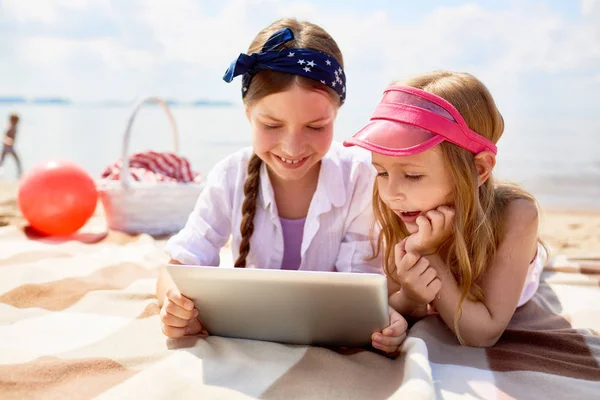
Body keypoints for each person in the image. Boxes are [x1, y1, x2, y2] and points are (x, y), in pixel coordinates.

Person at [156, 18, 407, 354]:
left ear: (337, 113)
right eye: (272, 125)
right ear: (248, 114)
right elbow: (178, 269)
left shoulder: (361, 177)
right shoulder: (230, 175)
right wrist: (175, 308)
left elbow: (364, 285)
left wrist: (386, 321)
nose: (292, 148)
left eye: (316, 127)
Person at [344, 70, 548, 347]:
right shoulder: (405, 211)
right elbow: (396, 300)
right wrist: (411, 297)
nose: (391, 194)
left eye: (413, 176)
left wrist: (428, 254)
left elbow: (483, 333)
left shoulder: (516, 216)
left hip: (516, 262)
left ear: (479, 169)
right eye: (381, 173)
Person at [1, 113, 23, 178]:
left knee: (16, 160)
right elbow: (5, 137)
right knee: (17, 160)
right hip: (8, 147)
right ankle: (20, 173)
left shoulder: (14, 127)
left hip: (10, 147)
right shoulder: (10, 128)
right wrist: (9, 141)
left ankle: (19, 173)